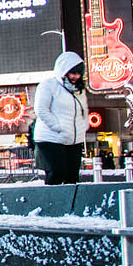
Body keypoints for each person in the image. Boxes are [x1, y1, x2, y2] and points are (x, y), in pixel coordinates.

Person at [32, 52, 90, 185]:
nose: (76, 77)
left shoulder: (79, 90)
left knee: (72, 177)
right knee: (57, 172)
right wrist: (58, 127)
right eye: (72, 73)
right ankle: (53, 203)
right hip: (51, 138)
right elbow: (41, 109)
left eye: (78, 73)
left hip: (73, 139)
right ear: (63, 71)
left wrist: (83, 126)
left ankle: (71, 204)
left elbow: (84, 110)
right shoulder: (48, 85)